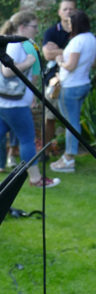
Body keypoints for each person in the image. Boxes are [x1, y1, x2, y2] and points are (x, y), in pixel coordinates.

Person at [0, 10, 59, 189]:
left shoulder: (5, 41)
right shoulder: (17, 45)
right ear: (22, 27)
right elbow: (8, 71)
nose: (37, 30)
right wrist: (28, 62)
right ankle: (36, 179)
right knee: (27, 139)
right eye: (34, 27)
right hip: (14, 103)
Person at [50, 9, 96, 173]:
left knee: (71, 123)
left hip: (70, 86)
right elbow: (93, 63)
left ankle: (69, 158)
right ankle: (68, 156)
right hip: (83, 83)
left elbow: (71, 65)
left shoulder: (77, 41)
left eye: (70, 23)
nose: (68, 25)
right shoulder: (92, 39)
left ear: (76, 24)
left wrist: (59, 61)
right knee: (73, 121)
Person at [42, 0, 76, 144]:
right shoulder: (51, 32)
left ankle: (69, 150)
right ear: (59, 12)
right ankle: (46, 149)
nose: (68, 12)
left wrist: (59, 51)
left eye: (71, 9)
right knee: (49, 117)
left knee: (70, 119)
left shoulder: (80, 33)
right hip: (53, 81)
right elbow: (47, 54)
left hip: (73, 79)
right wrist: (72, 53)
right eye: (65, 9)